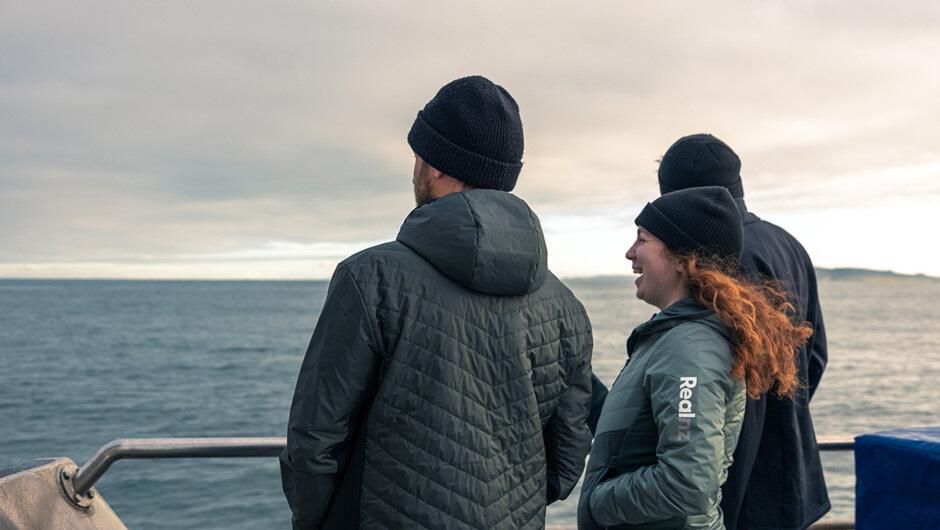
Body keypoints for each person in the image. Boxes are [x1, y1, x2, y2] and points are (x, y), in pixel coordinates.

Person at [279, 75, 594, 530]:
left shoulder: (370, 279)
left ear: (440, 165)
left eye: (418, 155)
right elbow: (567, 453)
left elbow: (314, 440)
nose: (415, 168)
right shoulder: (567, 308)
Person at [577, 186, 812, 530]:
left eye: (642, 239)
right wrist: (574, 376)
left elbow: (688, 484)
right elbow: (631, 438)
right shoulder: (675, 335)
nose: (631, 252)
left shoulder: (691, 347)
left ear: (682, 260)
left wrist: (597, 502)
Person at [658, 134, 829, 530]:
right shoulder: (789, 244)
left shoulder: (716, 261)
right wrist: (785, 417)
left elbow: (719, 389)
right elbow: (815, 355)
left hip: (742, 493)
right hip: (794, 479)